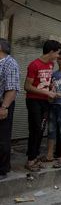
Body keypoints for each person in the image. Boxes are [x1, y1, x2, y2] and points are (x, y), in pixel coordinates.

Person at [24, 40, 61, 172]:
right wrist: (46, 92)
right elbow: (27, 86)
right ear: (51, 52)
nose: (58, 56)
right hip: (34, 101)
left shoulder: (51, 64)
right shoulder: (34, 65)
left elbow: (47, 80)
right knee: (35, 130)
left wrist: (51, 86)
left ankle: (34, 158)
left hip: (45, 102)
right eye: (57, 53)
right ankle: (30, 160)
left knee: (40, 130)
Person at [0, 38, 20, 180]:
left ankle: (2, 169)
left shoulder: (10, 63)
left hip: (3, 104)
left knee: (2, 138)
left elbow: (12, 88)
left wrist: (4, 107)